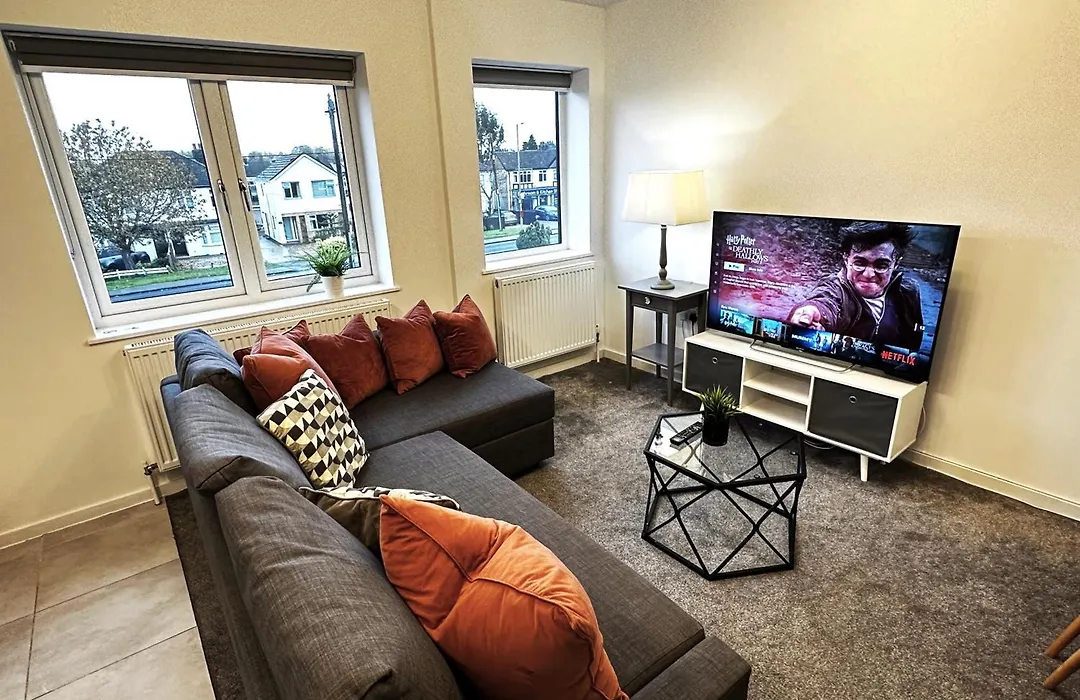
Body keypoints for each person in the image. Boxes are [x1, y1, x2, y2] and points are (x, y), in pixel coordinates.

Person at [787, 222, 924, 351]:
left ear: (896, 263)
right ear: (846, 258)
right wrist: (810, 312)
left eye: (881, 265)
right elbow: (825, 300)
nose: (869, 274)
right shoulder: (835, 288)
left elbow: (912, 345)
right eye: (860, 263)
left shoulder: (908, 291)